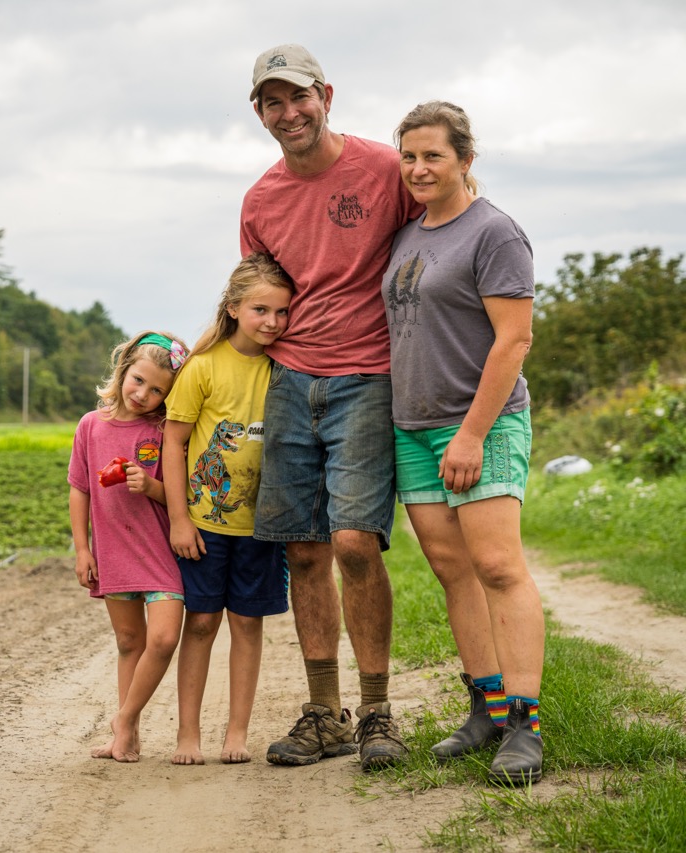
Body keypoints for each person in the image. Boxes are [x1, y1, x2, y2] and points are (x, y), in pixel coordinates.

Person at [241, 43, 424, 770]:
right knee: (304, 548)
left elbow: (441, 227)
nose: (289, 113)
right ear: (260, 114)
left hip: (369, 375)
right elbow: (259, 296)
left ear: (327, 94)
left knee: (353, 541)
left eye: (299, 97)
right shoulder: (260, 200)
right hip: (291, 381)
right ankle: (326, 713)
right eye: (272, 103)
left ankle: (379, 710)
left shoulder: (383, 169)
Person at [385, 100, 543, 785]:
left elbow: (515, 338)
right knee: (452, 568)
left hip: (479, 422)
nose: (419, 168)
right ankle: (486, 704)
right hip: (413, 427)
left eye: (433, 156)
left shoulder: (495, 232)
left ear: (465, 160)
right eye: (410, 156)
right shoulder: (410, 233)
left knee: (498, 565)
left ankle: (525, 725)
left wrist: (473, 433)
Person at [162, 252, 292, 765]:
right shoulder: (203, 367)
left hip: (261, 527)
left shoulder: (285, 366)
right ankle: (187, 734)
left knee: (247, 625)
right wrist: (178, 519)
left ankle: (236, 733)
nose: (273, 323)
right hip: (203, 526)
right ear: (235, 308)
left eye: (282, 313)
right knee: (199, 624)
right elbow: (173, 445)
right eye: (262, 310)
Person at [68, 329, 190, 763]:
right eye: (139, 380)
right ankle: (129, 735)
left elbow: (179, 492)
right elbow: (79, 489)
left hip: (160, 553)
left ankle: (123, 717)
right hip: (113, 551)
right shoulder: (91, 426)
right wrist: (83, 550)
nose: (144, 394)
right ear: (123, 371)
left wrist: (151, 485)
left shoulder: (165, 430)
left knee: (161, 639)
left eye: (158, 390)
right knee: (128, 642)